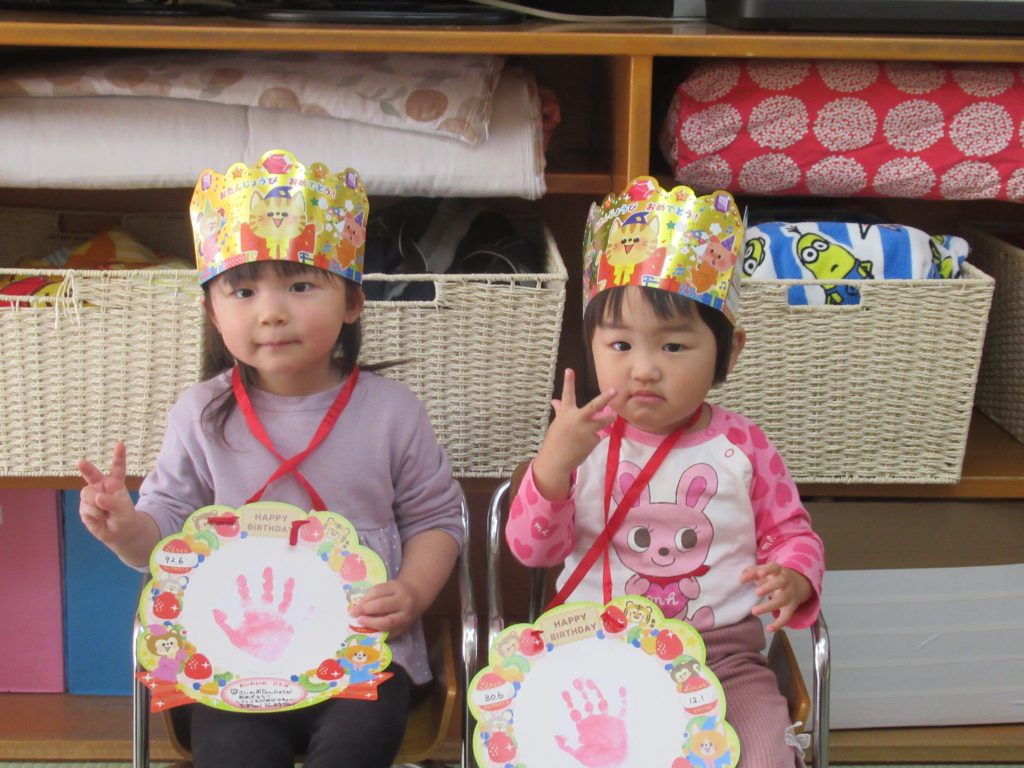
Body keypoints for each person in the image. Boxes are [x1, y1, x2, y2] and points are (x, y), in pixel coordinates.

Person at [76, 149, 464, 768]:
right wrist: (125, 528)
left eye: (301, 285)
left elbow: (437, 519)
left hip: (363, 653)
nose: (272, 311)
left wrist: (413, 593)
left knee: (356, 746)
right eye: (243, 290)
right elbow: (166, 535)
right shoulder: (200, 414)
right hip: (235, 661)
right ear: (212, 311)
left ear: (353, 301)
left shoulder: (393, 411)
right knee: (232, 752)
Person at [505, 176, 824, 767]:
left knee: (766, 756)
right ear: (591, 346)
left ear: (729, 351)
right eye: (620, 346)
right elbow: (532, 550)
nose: (644, 369)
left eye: (673, 347)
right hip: (590, 649)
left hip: (721, 656)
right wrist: (553, 467)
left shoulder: (743, 446)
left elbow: (791, 531)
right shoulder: (580, 440)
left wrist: (795, 575)